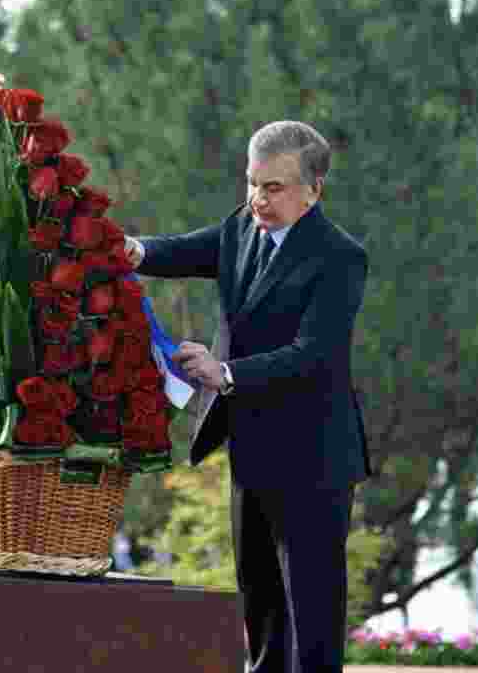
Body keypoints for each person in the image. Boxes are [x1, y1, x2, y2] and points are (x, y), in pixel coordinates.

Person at [124, 120, 370, 673]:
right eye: (252, 184)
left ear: (314, 189)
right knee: (260, 611)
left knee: (311, 623)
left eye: (274, 187)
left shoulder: (340, 258)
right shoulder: (242, 226)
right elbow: (187, 251)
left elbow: (314, 354)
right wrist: (134, 250)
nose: (258, 199)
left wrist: (224, 373)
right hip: (251, 450)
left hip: (315, 459)